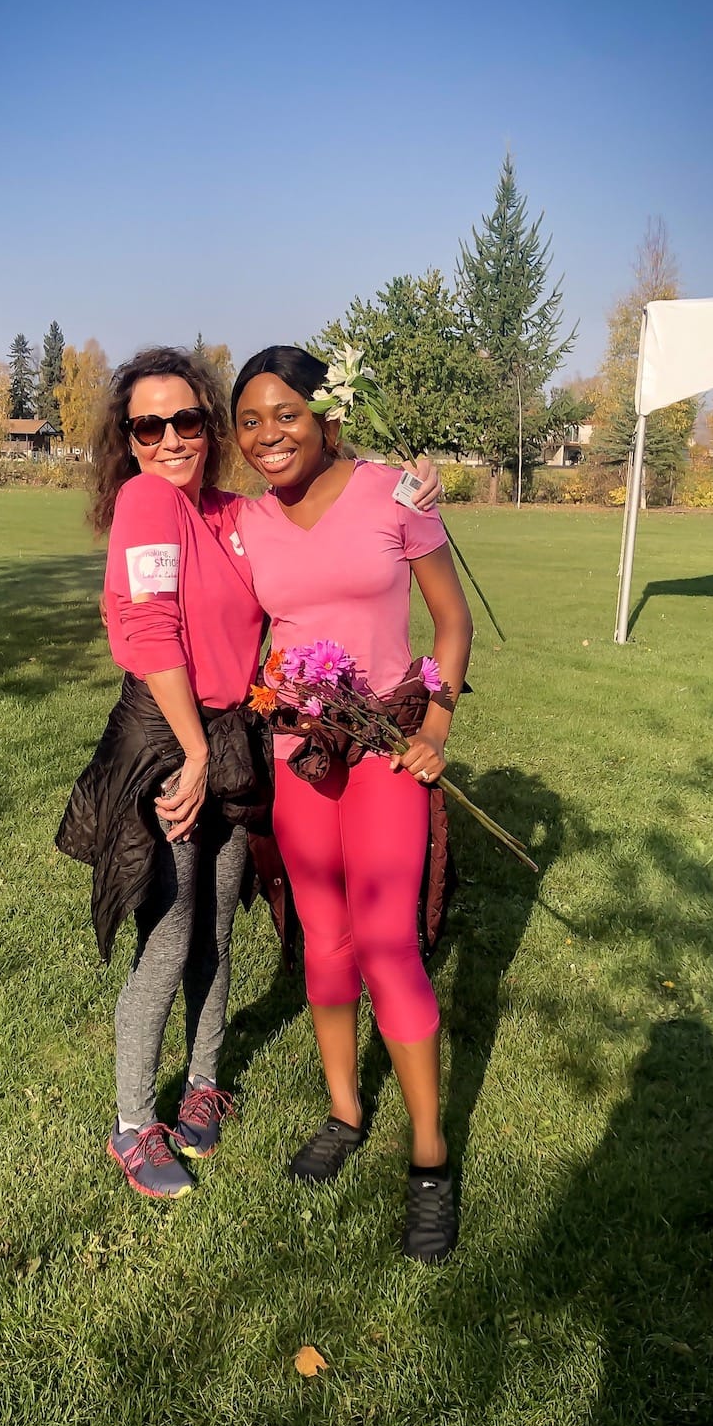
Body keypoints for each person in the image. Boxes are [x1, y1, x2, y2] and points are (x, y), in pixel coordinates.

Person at [232, 346, 473, 1263]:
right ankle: (343, 1109)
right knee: (320, 937)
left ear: (327, 414)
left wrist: (437, 725)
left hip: (382, 754)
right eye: (250, 421)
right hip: (302, 761)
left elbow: (451, 620)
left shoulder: (395, 495)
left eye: (285, 413)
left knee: (386, 944)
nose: (268, 436)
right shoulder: (245, 523)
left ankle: (429, 1159)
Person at [56, 347, 270, 1199]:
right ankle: (132, 1122)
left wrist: (407, 488)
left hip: (228, 734)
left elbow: (312, 525)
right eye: (152, 424)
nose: (173, 438)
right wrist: (193, 751)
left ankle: (203, 1083)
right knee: (172, 928)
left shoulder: (231, 512)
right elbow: (150, 638)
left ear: (210, 425)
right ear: (130, 439)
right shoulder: (148, 501)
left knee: (218, 924)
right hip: (168, 735)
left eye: (188, 419)